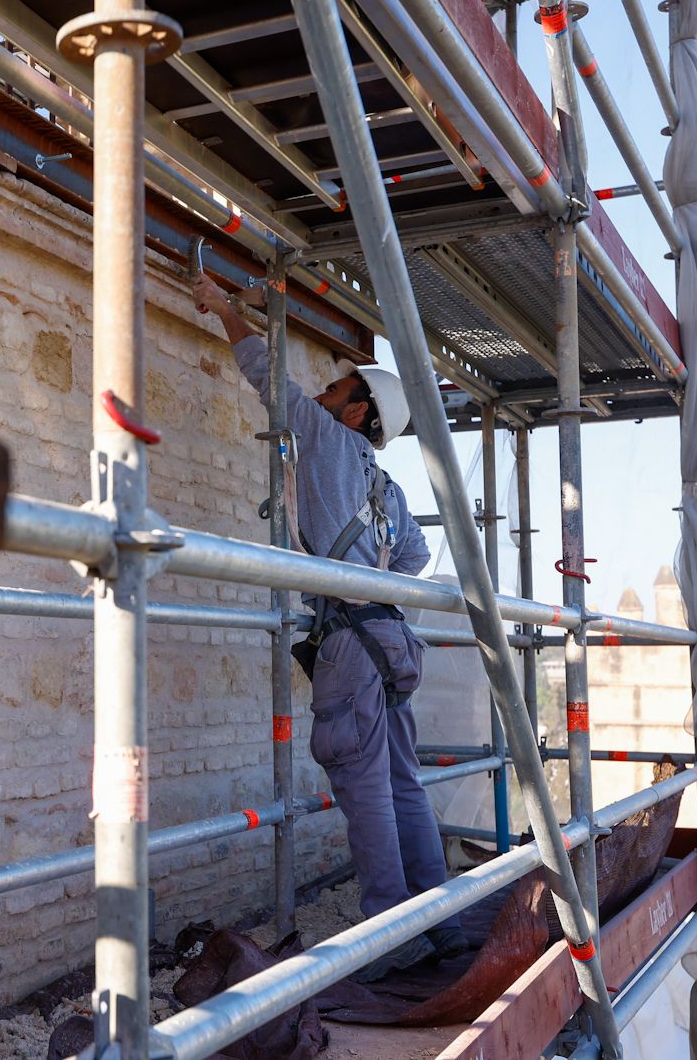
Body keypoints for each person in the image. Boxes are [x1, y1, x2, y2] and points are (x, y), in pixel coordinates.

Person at [192, 272, 470, 981]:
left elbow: (269, 380)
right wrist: (369, 587)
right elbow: (411, 556)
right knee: (403, 781)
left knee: (368, 788)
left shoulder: (321, 437)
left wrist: (224, 307)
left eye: (339, 388)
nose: (324, 389)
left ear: (356, 413)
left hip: (349, 647)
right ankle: (437, 919)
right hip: (391, 644)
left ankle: (391, 932)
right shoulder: (387, 485)